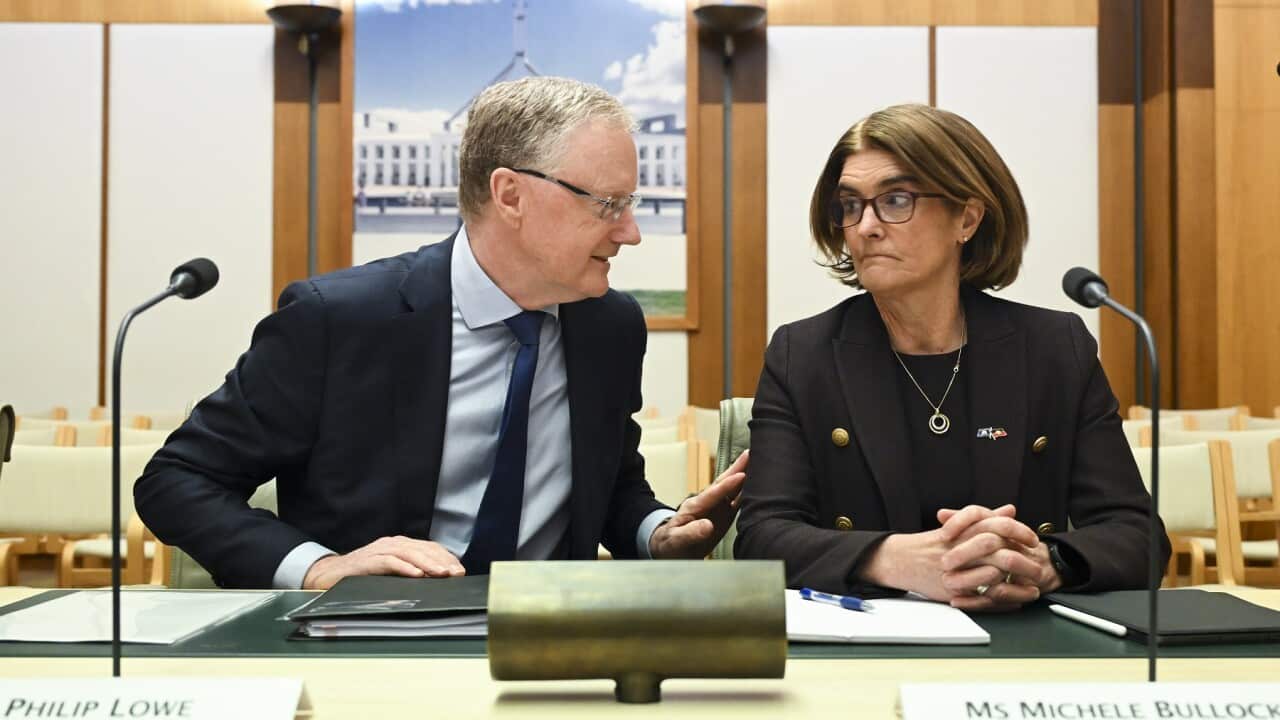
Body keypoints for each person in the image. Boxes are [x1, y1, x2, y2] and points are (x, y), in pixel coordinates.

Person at [135, 77, 747, 590]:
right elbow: (178, 481)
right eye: (608, 204)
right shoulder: (338, 319)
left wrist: (659, 533)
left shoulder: (610, 327)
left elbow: (608, 488)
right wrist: (320, 568)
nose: (631, 232)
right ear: (510, 195)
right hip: (374, 640)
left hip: (555, 646)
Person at [733, 104, 1168, 612]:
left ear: (967, 217)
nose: (865, 227)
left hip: (1021, 639)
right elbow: (760, 539)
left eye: (895, 200)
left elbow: (1140, 536)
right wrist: (891, 558)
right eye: (849, 205)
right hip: (868, 639)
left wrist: (1048, 563)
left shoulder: (1055, 347)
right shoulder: (801, 353)